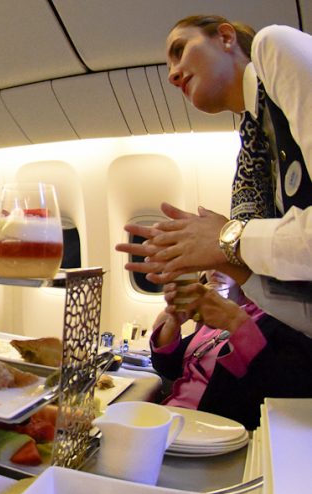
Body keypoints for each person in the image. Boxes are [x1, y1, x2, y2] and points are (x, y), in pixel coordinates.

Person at [115, 16, 312, 336]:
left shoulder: (274, 47)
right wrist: (219, 258)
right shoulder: (256, 145)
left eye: (180, 50)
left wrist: (227, 238)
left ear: (225, 37)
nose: (173, 75)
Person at [150, 271, 312, 430]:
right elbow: (168, 367)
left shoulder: (284, 320)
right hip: (177, 416)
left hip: (210, 427)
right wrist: (174, 321)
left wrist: (236, 323)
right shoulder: (218, 313)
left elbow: (284, 388)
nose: (215, 269)